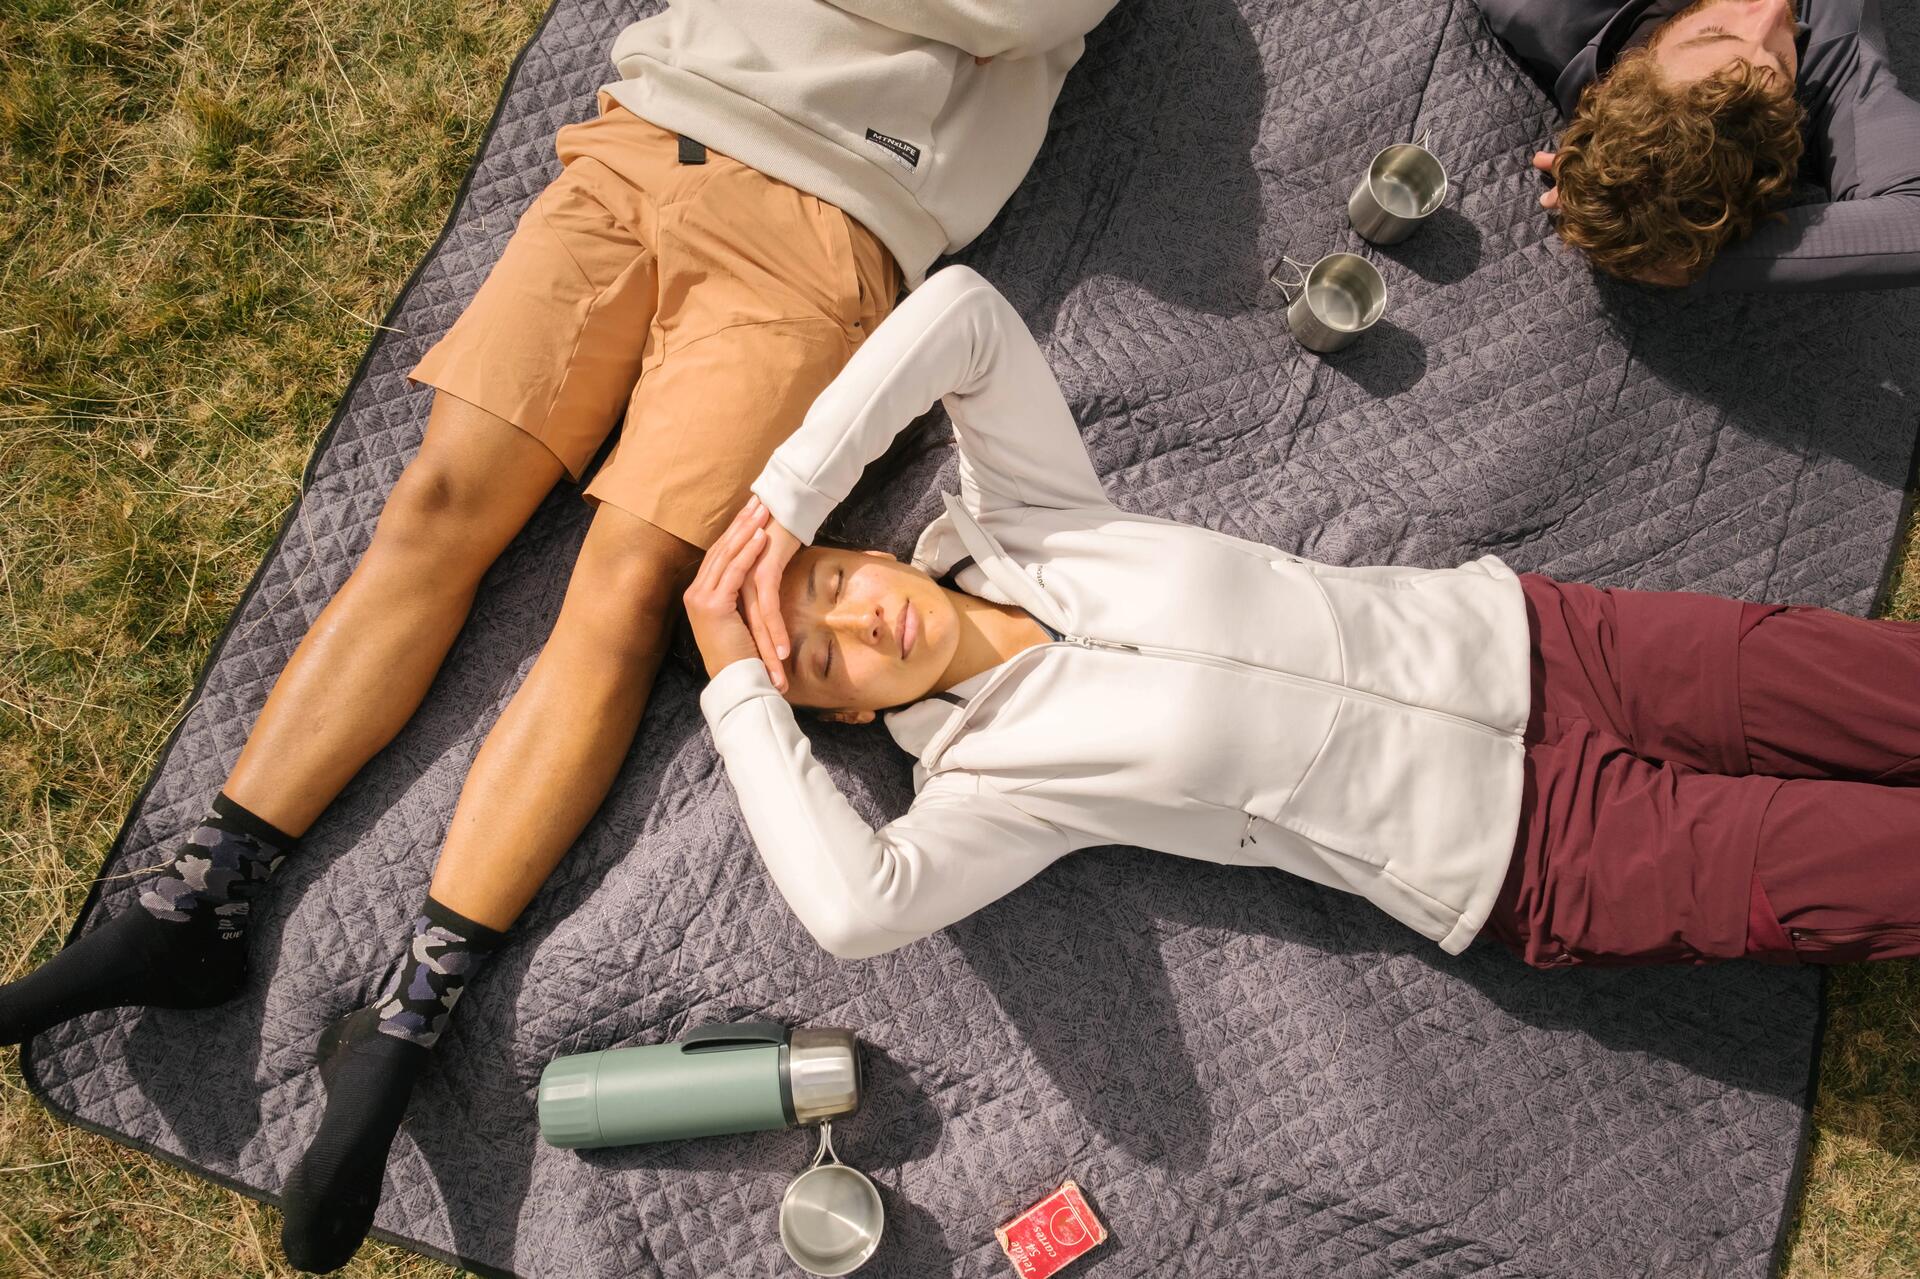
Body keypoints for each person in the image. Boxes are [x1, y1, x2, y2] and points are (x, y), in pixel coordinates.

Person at [0, 3, 1118, 1271]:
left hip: (832, 221)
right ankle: (204, 895)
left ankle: (411, 1014)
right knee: (433, 504)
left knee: (628, 590)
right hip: (654, 137)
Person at [683, 264, 1920, 976]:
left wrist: (785, 497)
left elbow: (961, 311)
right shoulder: (995, 792)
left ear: (859, 546)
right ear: (843, 711)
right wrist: (740, 680)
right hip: (1542, 849)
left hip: (1558, 643)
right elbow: (855, 910)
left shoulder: (1034, 513)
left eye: (831, 579)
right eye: (824, 655)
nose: (859, 618)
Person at [1475, 0, 1920, 289]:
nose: (1769, 11)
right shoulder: (1838, 81)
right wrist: (1683, 254)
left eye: (1714, 32)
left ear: (1638, 64)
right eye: (1779, 64)